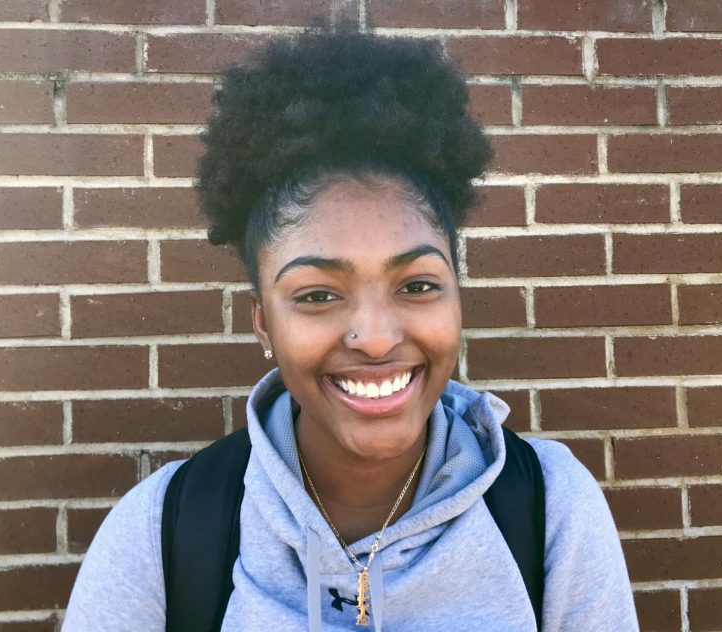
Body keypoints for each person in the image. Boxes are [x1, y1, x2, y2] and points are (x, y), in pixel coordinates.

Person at [63, 23, 638, 631]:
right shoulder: (162, 532)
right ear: (263, 324)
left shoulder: (551, 509)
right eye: (317, 295)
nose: (377, 336)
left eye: (417, 286)